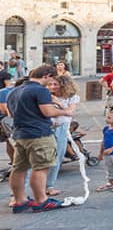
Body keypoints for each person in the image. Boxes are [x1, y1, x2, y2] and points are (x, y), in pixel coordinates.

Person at [8, 65, 71, 213]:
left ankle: (19, 200)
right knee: (40, 167)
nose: (50, 85)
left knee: (18, 168)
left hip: (20, 134)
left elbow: (11, 114)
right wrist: (64, 111)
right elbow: (47, 111)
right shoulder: (40, 90)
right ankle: (41, 200)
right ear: (47, 76)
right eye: (50, 81)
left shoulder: (15, 91)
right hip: (39, 134)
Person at [45, 75, 79, 196]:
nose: (52, 87)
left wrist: (57, 103)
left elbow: (70, 112)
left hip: (61, 127)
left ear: (64, 85)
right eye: (50, 84)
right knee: (43, 157)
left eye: (55, 84)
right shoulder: (44, 95)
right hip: (46, 126)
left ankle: (49, 185)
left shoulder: (72, 97)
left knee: (57, 157)